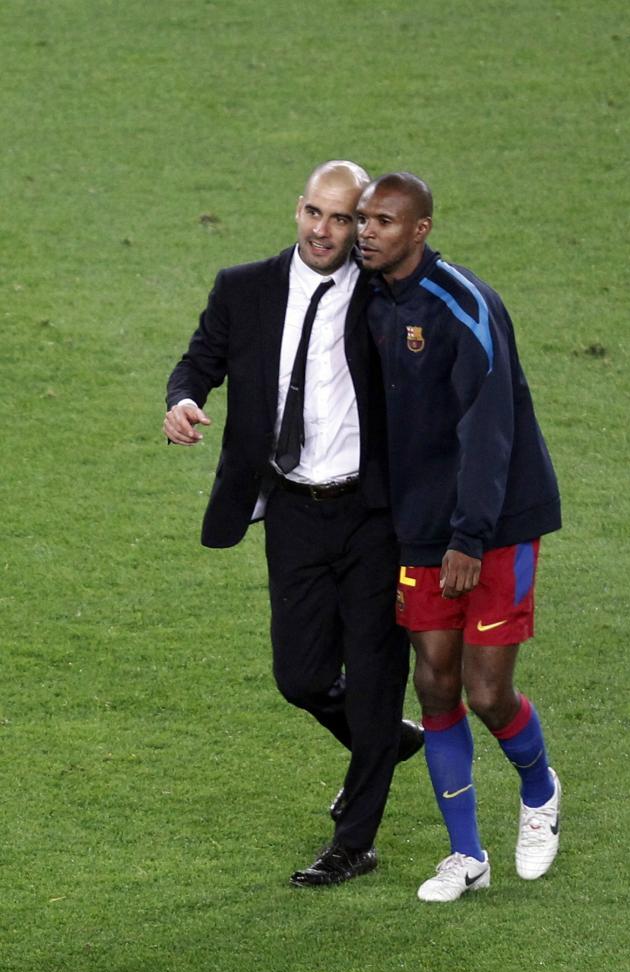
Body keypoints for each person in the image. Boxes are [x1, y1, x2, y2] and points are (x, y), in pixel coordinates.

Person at [164, 161, 421, 888]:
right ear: (297, 209)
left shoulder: (387, 296)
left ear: (360, 226)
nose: (324, 230)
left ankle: (354, 842)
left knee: (374, 678)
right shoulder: (243, 287)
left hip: (374, 516)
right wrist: (181, 400)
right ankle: (385, 743)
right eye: (315, 212)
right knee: (300, 676)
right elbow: (199, 361)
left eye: (343, 219)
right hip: (291, 509)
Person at [356, 172, 562, 902]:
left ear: (420, 230)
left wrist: (470, 538)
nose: (365, 232)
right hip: (420, 526)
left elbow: (489, 429)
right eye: (362, 220)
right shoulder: (371, 295)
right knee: (433, 681)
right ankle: (465, 855)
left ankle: (538, 790)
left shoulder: (464, 306)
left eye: (383, 221)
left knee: (483, 690)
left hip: (494, 524)